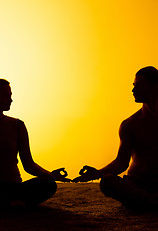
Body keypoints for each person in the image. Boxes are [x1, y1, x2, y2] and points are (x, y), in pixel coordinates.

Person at [73, 66, 158, 209]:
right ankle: (149, 201)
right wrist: (97, 173)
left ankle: (146, 202)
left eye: (139, 85)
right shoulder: (130, 124)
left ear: (155, 87)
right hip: (136, 183)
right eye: (133, 85)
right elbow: (121, 162)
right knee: (108, 182)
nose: (133, 90)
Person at [0, 79, 70, 208]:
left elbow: (28, 164)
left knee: (48, 184)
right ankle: (11, 203)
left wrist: (50, 175)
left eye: (10, 96)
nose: (10, 100)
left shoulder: (17, 126)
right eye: (5, 96)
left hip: (13, 188)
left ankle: (11, 202)